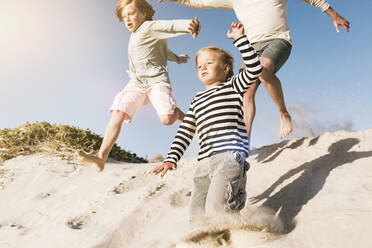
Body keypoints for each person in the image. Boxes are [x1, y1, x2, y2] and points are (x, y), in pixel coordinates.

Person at [159, 0, 350, 141]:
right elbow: (201, 2)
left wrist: (334, 15)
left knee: (262, 68)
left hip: (278, 40)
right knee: (245, 93)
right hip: (251, 47)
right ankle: (244, 140)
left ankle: (283, 113)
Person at [153, 22, 262, 223]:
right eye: (199, 66)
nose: (203, 67)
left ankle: (232, 229)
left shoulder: (232, 86)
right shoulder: (197, 99)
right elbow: (185, 131)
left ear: (226, 68)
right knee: (196, 212)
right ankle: (201, 239)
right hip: (204, 163)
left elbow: (255, 68)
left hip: (230, 156)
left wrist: (240, 40)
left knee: (216, 206)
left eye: (209, 63)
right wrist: (172, 158)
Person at [76, 0, 200, 172]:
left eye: (131, 13)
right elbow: (162, 52)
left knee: (167, 119)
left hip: (156, 82)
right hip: (137, 83)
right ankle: (101, 157)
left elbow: (169, 26)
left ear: (143, 13)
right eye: (124, 16)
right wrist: (178, 58)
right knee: (119, 111)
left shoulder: (149, 27)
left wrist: (189, 26)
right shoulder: (135, 35)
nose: (127, 19)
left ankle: (188, 120)